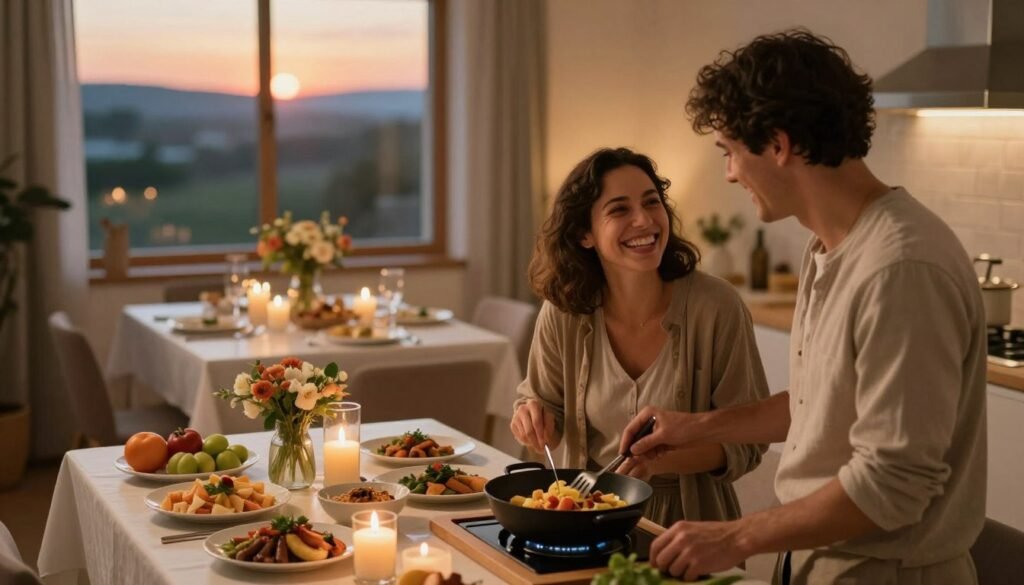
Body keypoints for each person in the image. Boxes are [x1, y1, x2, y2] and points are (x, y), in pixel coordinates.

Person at [619, 30, 987, 584]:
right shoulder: (830, 247)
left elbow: (894, 483)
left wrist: (735, 536)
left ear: (778, 143)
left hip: (888, 572)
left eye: (730, 152)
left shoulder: (901, 269)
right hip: (828, 562)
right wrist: (695, 426)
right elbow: (823, 402)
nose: (730, 173)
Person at [511, 147, 770, 527]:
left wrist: (657, 461)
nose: (645, 220)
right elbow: (541, 401)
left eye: (652, 203)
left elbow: (748, 440)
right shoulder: (564, 310)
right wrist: (530, 416)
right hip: (585, 516)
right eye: (619, 210)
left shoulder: (716, 307)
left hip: (690, 527)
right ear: (585, 234)